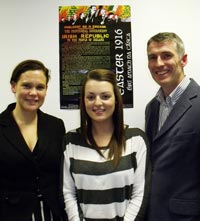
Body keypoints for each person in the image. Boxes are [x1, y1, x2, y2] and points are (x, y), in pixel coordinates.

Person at [61, 69, 151, 220]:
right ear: (83, 101)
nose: (97, 103)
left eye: (105, 96)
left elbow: (140, 194)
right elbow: (68, 192)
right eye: (90, 97)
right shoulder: (70, 140)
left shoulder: (136, 139)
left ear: (116, 99)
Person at [0, 59, 67, 221]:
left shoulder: (56, 126)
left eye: (40, 87)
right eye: (26, 86)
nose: (33, 93)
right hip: (11, 214)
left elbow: (60, 174)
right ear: (13, 86)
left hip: (53, 213)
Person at [145, 32, 200, 220]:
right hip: (154, 213)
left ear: (183, 60)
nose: (159, 63)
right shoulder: (152, 108)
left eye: (166, 55)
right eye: (153, 57)